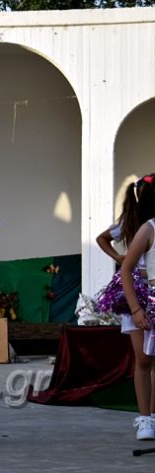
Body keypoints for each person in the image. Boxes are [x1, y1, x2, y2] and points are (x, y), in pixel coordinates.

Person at [118, 173, 155, 440]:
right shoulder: (149, 228)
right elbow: (126, 269)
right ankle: (145, 418)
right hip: (149, 300)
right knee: (144, 360)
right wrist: (136, 309)